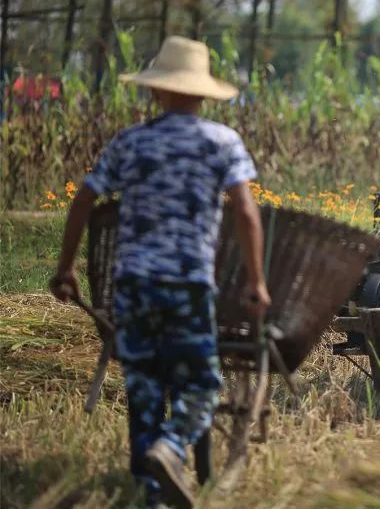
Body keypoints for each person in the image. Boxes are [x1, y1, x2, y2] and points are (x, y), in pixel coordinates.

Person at [49, 36, 270, 508]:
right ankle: (172, 448)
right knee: (204, 385)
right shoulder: (221, 142)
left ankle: (151, 494)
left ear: (156, 91)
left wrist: (66, 266)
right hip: (188, 285)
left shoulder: (131, 142)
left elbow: (84, 198)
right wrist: (256, 282)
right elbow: (248, 214)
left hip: (133, 285)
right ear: (203, 93)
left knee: (144, 388)